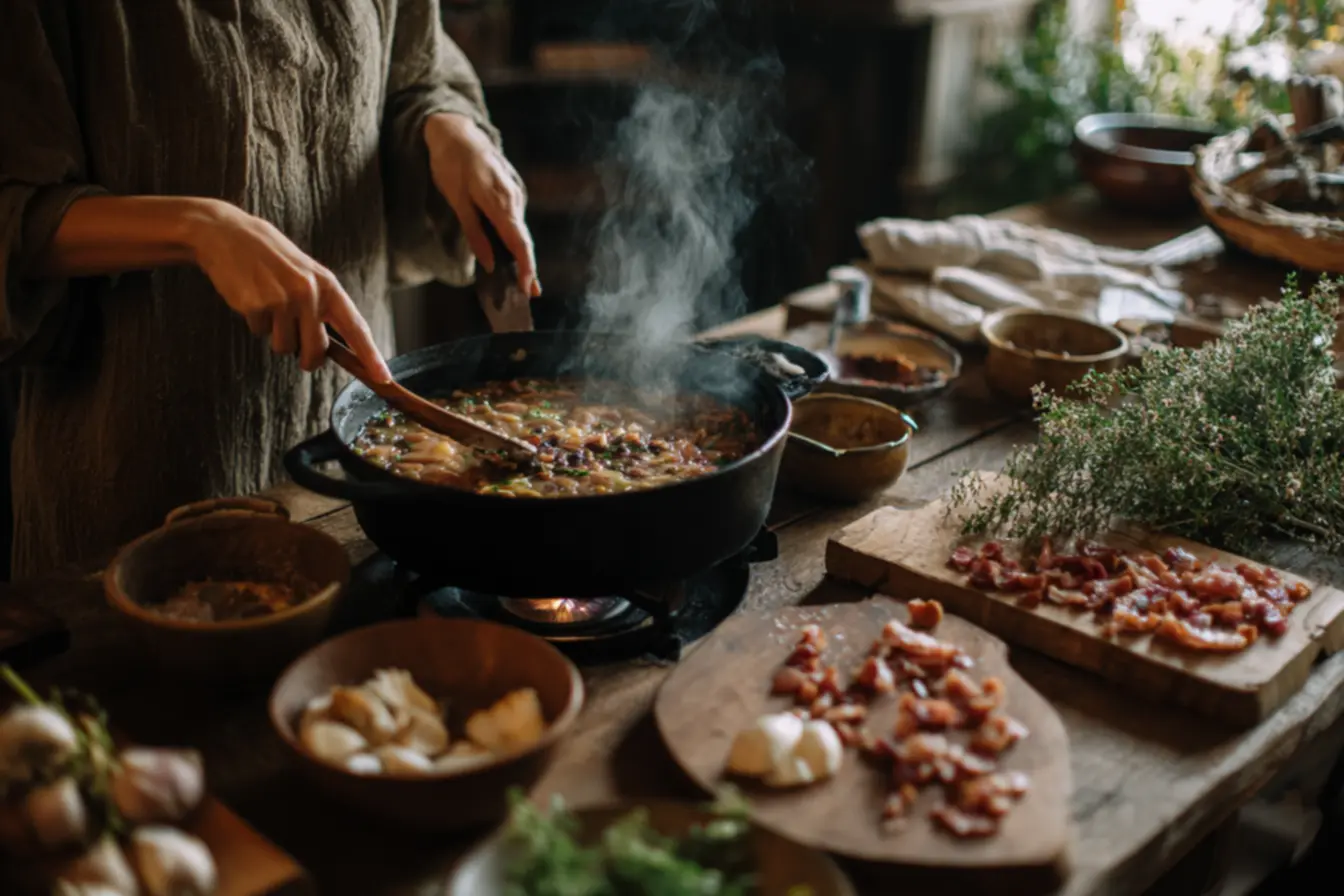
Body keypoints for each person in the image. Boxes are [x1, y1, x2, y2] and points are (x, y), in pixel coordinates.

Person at [0, 1, 540, 578]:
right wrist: (199, 228)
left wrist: (448, 129)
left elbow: (418, 73)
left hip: (359, 459)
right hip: (133, 472)